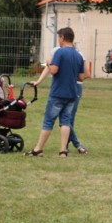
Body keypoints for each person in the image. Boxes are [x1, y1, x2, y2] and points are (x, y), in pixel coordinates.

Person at [24, 27, 85, 157]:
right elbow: (81, 77)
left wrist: (48, 63)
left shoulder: (60, 53)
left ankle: (38, 149)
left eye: (59, 38)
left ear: (62, 37)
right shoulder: (78, 55)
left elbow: (53, 70)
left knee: (48, 121)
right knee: (66, 121)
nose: (58, 40)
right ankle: (63, 150)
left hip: (58, 93)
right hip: (72, 93)